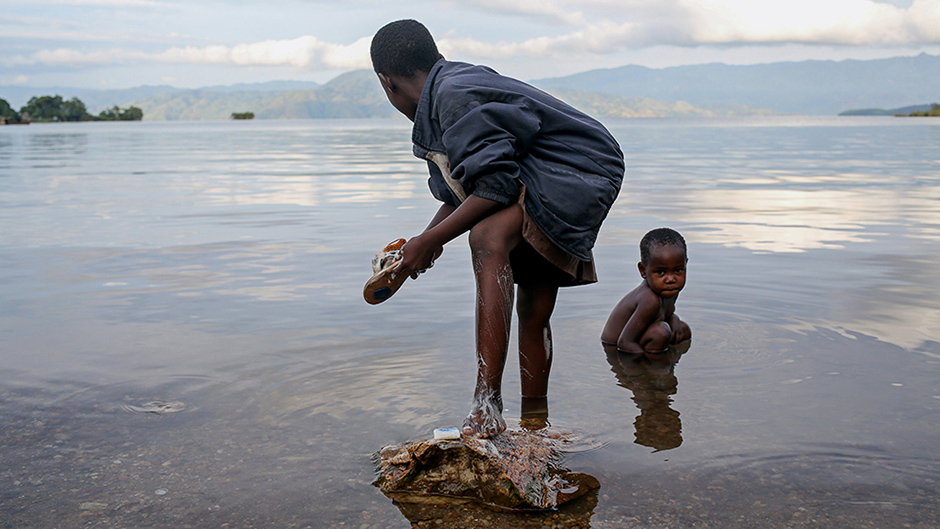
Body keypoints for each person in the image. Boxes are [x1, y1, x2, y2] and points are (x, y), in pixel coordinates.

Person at [370, 20, 624, 438]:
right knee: (533, 300)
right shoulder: (448, 90)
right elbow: (461, 192)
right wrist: (422, 245)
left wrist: (432, 240)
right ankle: (536, 426)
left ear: (387, 82)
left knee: (488, 238)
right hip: (568, 170)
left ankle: (486, 406)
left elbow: (494, 186)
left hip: (578, 171)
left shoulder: (453, 96)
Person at [601, 228, 691, 354]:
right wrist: (648, 368)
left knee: (683, 329)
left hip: (637, 338)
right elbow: (625, 342)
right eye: (660, 272)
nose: (671, 279)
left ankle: (668, 364)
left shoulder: (669, 289)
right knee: (660, 333)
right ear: (643, 270)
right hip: (615, 349)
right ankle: (657, 369)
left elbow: (664, 314)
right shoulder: (649, 300)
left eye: (678, 270)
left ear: (685, 264)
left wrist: (673, 318)